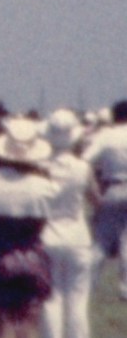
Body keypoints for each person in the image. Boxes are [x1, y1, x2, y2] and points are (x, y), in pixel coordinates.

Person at [0, 117, 56, 338]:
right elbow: (44, 223)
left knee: (5, 322)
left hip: (0, 251)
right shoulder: (45, 186)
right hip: (33, 253)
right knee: (30, 322)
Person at [41, 109, 94, 338]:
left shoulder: (41, 167)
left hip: (48, 235)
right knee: (78, 299)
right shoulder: (83, 167)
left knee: (52, 298)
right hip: (77, 235)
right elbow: (96, 198)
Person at [81, 98, 127, 301]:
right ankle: (125, 288)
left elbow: (85, 161)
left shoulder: (105, 136)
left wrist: (93, 189)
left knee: (101, 240)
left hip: (113, 187)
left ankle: (88, 285)